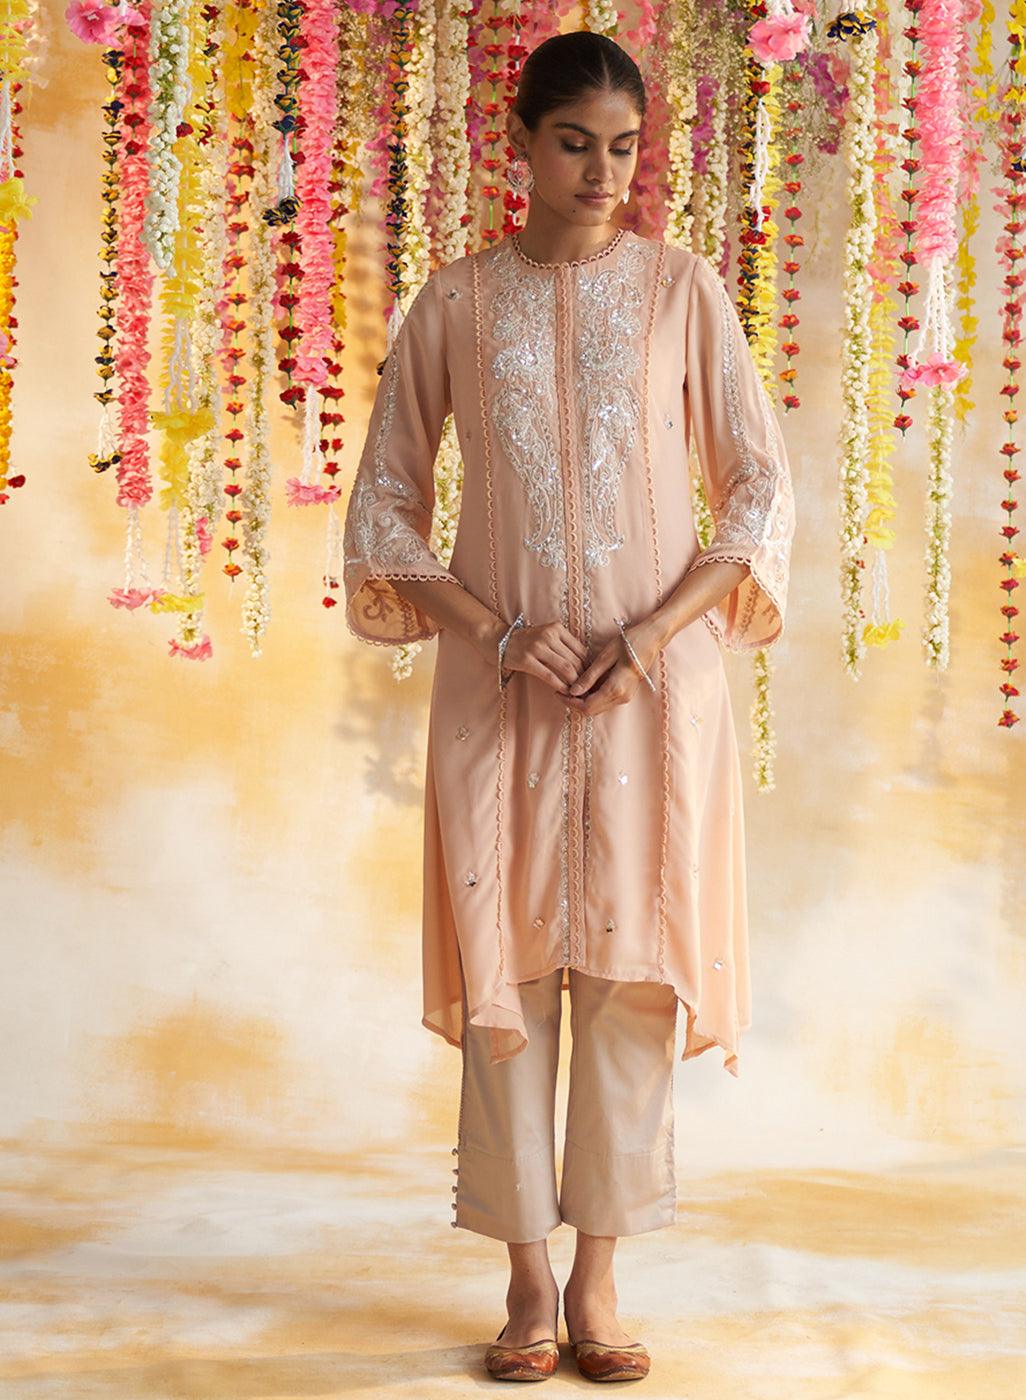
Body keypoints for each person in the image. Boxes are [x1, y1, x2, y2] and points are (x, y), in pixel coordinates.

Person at [342, 29, 796, 1385]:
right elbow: (384, 503)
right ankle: (524, 1279)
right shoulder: (455, 304)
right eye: (574, 144)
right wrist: (492, 629)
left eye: (624, 147)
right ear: (521, 143)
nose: (603, 173)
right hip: (502, 694)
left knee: (631, 970)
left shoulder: (680, 292)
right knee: (507, 968)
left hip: (654, 692)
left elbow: (757, 487)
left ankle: (600, 1276)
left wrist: (654, 633)